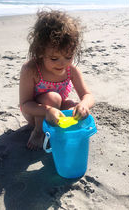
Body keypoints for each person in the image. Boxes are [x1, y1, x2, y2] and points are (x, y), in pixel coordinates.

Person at [19, 10, 94, 150]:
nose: (62, 64)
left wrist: (83, 105)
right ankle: (39, 131)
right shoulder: (31, 70)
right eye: (54, 58)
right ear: (40, 52)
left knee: (72, 106)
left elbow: (88, 95)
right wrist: (47, 111)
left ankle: (60, 132)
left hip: (56, 111)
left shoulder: (71, 70)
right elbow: (25, 104)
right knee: (53, 98)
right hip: (35, 114)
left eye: (68, 57)